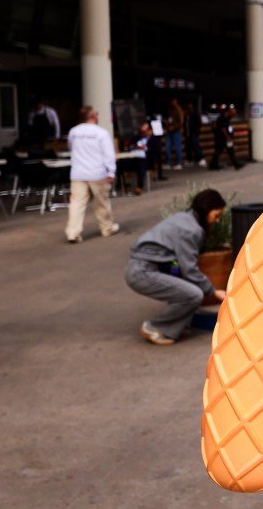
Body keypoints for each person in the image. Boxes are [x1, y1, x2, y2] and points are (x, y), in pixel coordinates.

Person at [125, 189, 227, 345]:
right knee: (194, 295)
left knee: (187, 289)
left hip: (141, 267)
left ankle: (180, 323)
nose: (217, 221)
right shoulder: (191, 230)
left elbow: (176, 261)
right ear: (206, 209)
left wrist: (177, 276)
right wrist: (213, 291)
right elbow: (189, 269)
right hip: (142, 272)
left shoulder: (184, 217)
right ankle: (155, 327)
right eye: (216, 215)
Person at [65, 106, 119, 243]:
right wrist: (111, 171)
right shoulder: (101, 133)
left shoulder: (73, 132)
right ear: (93, 116)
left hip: (78, 173)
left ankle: (73, 233)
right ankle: (107, 228)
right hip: (97, 173)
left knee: (76, 204)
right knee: (101, 203)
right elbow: (108, 154)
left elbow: (71, 148)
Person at [209, 105, 243, 171]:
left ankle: (235, 164)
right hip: (221, 138)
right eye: (233, 113)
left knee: (228, 150)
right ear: (229, 112)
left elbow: (226, 127)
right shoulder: (223, 117)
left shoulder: (226, 117)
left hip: (222, 137)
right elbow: (223, 129)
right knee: (219, 151)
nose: (234, 114)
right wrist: (228, 137)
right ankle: (213, 165)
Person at [166, 98, 185, 170]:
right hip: (170, 131)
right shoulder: (170, 109)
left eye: (174, 101)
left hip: (176, 131)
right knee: (168, 147)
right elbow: (169, 119)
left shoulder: (178, 109)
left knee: (177, 147)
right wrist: (167, 124)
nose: (173, 102)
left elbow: (181, 122)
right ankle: (168, 163)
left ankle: (179, 163)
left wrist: (173, 128)